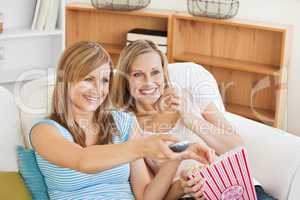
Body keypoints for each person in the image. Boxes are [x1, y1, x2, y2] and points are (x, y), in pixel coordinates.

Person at [29, 41, 214, 200]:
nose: (97, 90)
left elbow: (146, 196)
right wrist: (142, 146)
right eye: (88, 79)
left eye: (104, 81)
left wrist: (177, 156)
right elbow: (82, 160)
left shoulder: (123, 123)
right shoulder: (45, 132)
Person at [111, 39, 277, 200]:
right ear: (126, 80)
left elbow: (236, 146)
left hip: (237, 187)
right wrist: (181, 187)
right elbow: (151, 195)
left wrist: (189, 117)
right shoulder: (129, 126)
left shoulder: (190, 96)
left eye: (155, 72)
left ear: (164, 73)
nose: (149, 82)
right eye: (138, 74)